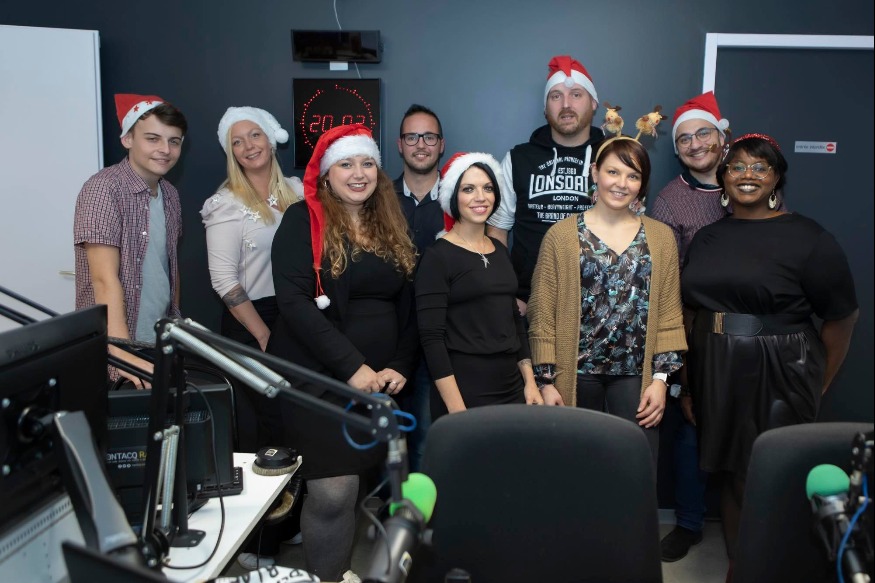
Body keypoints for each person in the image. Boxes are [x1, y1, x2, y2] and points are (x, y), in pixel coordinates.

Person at [681, 133, 858, 579]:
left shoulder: (808, 237)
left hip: (781, 367)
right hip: (716, 367)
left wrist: (818, 381)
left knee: (766, 472)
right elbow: (691, 311)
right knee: (729, 472)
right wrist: (689, 382)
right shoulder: (707, 237)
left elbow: (842, 316)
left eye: (760, 167)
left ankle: (774, 568)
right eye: (737, 167)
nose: (748, 175)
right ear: (723, 178)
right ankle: (741, 567)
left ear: (776, 178)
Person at [268, 124, 418, 582]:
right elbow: (293, 302)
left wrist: (399, 363)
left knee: (356, 486)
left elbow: (410, 305)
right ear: (327, 174)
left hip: (375, 381)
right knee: (333, 492)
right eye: (347, 164)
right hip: (317, 376)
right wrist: (352, 366)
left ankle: (337, 571)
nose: (358, 173)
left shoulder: (391, 221)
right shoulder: (302, 220)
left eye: (367, 163)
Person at [528, 137, 687, 468]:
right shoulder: (561, 236)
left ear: (642, 184)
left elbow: (670, 314)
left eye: (633, 176)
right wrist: (546, 381)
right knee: (575, 472)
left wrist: (661, 380)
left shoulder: (661, 237)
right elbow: (542, 314)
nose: (622, 183)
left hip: (635, 378)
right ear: (595, 172)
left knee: (633, 472)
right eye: (613, 172)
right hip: (575, 375)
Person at [201, 107, 303, 570]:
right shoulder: (226, 204)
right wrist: (263, 334)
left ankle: (288, 521)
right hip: (253, 322)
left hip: (296, 316)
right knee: (269, 431)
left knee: (297, 426)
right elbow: (223, 280)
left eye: (255, 135)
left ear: (271, 139)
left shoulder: (297, 192)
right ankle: (259, 544)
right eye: (237, 141)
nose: (248, 147)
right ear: (230, 152)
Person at [649, 91, 730, 562]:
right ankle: (689, 523)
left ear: (722, 137)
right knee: (688, 428)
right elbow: (663, 277)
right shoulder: (669, 201)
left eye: (703, 133)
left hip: (750, 332)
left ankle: (755, 519)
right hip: (692, 330)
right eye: (684, 139)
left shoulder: (748, 181)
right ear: (677, 150)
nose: (696, 144)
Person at [416, 152, 543, 419]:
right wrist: (456, 410)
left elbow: (515, 321)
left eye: (487, 188)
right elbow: (432, 340)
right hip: (465, 391)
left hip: (512, 388)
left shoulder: (499, 249)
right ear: (453, 197)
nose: (480, 197)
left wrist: (530, 382)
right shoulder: (437, 257)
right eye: (468, 189)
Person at [74, 94, 187, 388]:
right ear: (127, 139)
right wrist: (122, 354)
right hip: (114, 351)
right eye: (153, 139)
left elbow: (169, 267)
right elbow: (104, 279)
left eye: (174, 141)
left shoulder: (171, 195)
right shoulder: (103, 189)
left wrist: (173, 329)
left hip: (158, 342)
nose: (165, 150)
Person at [487, 55, 606, 314]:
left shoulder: (614, 156)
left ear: (594, 103)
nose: (566, 104)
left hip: (598, 301)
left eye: (576, 94)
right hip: (529, 300)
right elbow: (497, 230)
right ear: (545, 108)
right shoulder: (518, 159)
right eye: (555, 96)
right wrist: (507, 292)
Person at [393, 104, 446, 471]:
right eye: (412, 137)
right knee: (383, 442)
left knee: (427, 441)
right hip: (387, 336)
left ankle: (423, 508)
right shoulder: (377, 196)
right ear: (400, 145)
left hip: (437, 337)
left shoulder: (460, 197)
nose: (421, 145)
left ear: (441, 144)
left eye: (429, 137)